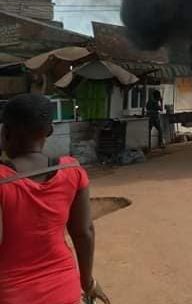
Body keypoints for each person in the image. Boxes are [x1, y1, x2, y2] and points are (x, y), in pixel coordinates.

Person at [0, 94, 110, 304]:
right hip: (64, 289)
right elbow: (84, 233)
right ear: (49, 131)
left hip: (12, 294)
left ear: (5, 132)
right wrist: (88, 283)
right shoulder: (72, 170)